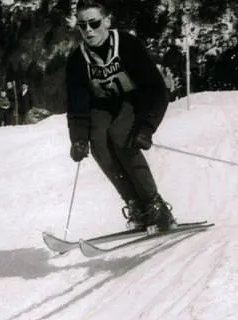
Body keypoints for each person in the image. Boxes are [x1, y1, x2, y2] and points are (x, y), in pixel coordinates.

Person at [65, 0, 175, 231]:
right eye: (82, 25)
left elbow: (155, 89)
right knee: (99, 146)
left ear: (107, 21)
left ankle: (155, 204)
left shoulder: (126, 45)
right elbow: (77, 106)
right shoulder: (78, 59)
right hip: (103, 106)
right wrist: (78, 139)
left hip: (134, 100)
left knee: (121, 137)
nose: (88, 31)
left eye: (94, 24)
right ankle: (136, 205)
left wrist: (146, 127)